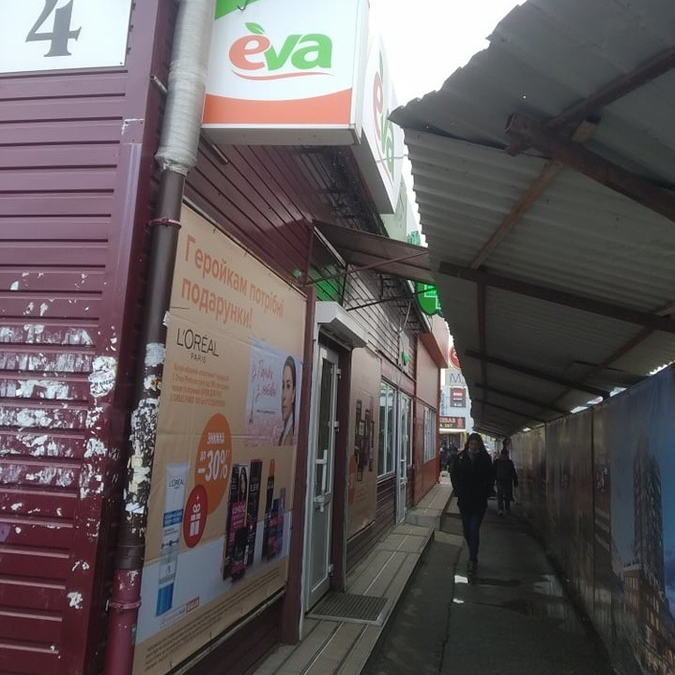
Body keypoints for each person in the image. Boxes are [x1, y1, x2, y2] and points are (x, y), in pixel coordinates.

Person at [450, 432, 494, 573]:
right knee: (467, 530)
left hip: (479, 501)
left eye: (476, 444)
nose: (474, 446)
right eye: (472, 444)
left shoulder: (485, 459)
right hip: (464, 500)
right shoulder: (460, 458)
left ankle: (472, 559)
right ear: (468, 444)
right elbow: (454, 475)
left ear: (479, 445)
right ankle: (473, 553)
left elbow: (490, 477)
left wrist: (486, 492)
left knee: (474, 528)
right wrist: (458, 491)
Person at [494, 438, 518, 515]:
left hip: (499, 481)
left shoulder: (497, 462)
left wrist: (493, 480)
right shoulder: (510, 462)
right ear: (507, 454)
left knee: (500, 495)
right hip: (508, 481)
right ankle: (507, 509)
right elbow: (513, 472)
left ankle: (500, 509)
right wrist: (515, 481)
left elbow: (493, 472)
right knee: (507, 495)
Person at [278, 356, 297, 446]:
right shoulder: (284, 434)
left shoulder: (289, 437)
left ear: (293, 393)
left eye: (288, 386)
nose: (283, 396)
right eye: (283, 386)